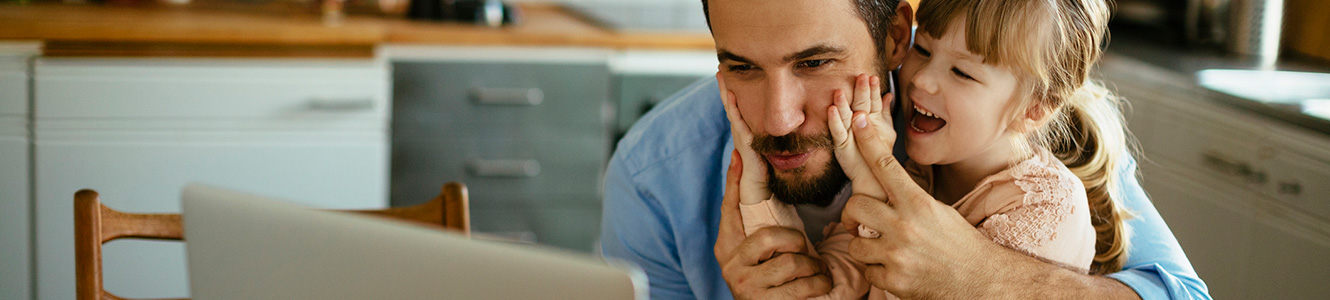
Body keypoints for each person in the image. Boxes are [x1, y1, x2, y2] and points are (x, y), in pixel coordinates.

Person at [598, 0, 1211, 299]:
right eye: (741, 66)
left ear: (895, 37)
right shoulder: (656, 174)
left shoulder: (1030, 138)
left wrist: (979, 275)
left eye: (815, 63)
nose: (778, 117)